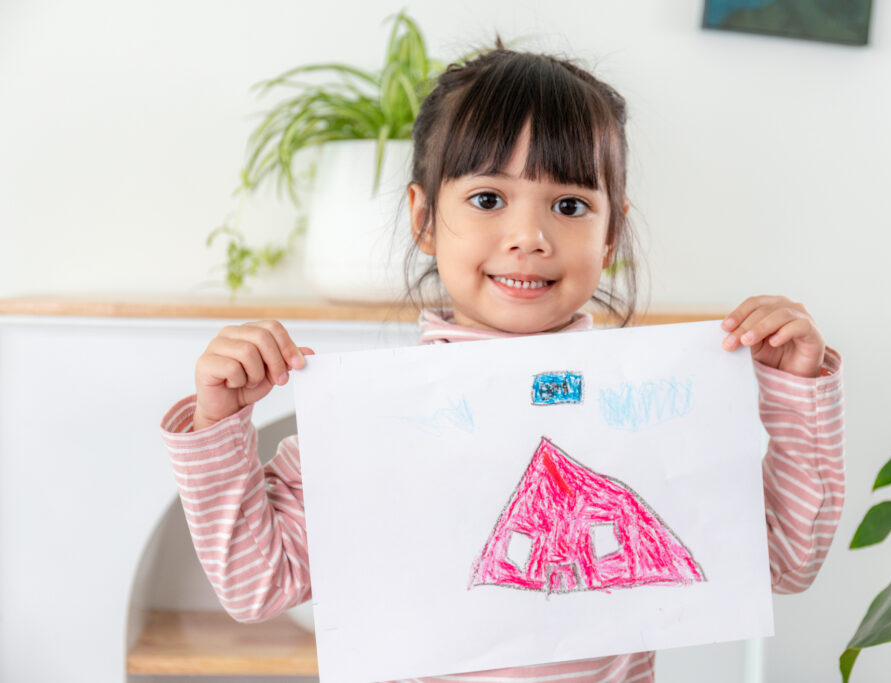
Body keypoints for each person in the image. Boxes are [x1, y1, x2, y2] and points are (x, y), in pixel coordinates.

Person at [161, 47, 843, 683]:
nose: (530, 237)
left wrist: (792, 388)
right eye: (488, 199)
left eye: (570, 204)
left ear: (611, 235)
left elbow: (787, 558)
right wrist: (220, 421)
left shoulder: (656, 416)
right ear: (424, 217)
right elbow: (258, 586)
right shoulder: (371, 423)